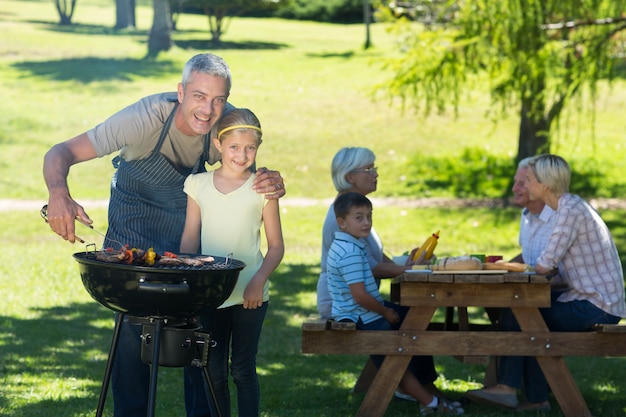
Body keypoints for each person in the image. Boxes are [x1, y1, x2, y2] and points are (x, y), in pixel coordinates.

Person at [42, 53, 285, 417]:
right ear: (181, 92)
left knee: (197, 343)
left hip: (184, 240)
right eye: (199, 96)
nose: (208, 109)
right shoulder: (144, 118)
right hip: (131, 233)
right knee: (132, 338)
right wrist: (58, 194)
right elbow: (60, 152)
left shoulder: (222, 120)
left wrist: (269, 178)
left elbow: (242, 158)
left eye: (218, 99)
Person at [466, 154, 626, 412]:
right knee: (525, 313)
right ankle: (536, 399)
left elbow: (543, 266)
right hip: (585, 300)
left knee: (523, 315)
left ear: (545, 185)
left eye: (528, 180)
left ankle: (508, 389)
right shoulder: (566, 206)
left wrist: (503, 267)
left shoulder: (569, 210)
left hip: (597, 307)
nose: (523, 186)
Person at [180, 108, 284, 417]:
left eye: (250, 148)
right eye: (234, 147)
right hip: (211, 296)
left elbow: (276, 247)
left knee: (242, 370)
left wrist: (258, 282)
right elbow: (189, 240)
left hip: (249, 297)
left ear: (258, 148)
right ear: (218, 144)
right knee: (213, 373)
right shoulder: (197, 185)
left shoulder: (263, 191)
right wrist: (189, 283)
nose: (242, 155)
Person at [327, 192, 464, 415]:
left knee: (414, 319)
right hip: (361, 315)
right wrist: (385, 312)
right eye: (359, 218)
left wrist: (408, 268)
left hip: (362, 311)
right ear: (342, 222)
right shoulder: (349, 252)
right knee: (395, 353)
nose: (367, 222)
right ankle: (430, 403)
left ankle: (427, 388)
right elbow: (360, 296)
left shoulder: (351, 245)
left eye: (369, 216)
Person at [317, 147, 421, 320]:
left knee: (413, 318)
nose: (375, 174)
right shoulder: (340, 219)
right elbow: (372, 267)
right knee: (413, 321)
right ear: (350, 177)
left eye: (375, 169)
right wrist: (412, 270)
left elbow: (370, 255)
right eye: (369, 170)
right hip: (343, 308)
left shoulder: (355, 213)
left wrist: (404, 265)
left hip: (357, 304)